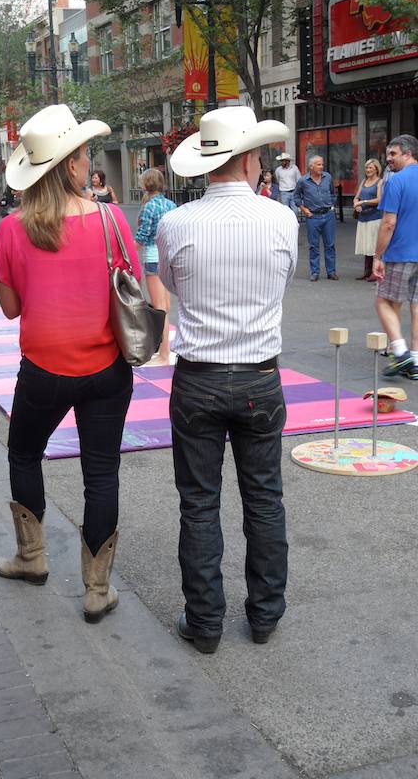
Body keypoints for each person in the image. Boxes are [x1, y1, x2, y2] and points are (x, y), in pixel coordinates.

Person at [0, 103, 141, 623]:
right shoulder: (110, 219)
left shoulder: (11, 230)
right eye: (83, 155)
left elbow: (10, 309)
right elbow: (131, 289)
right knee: (101, 472)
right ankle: (97, 590)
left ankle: (32, 558)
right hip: (106, 370)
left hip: (44, 371)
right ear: (73, 165)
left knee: (24, 453)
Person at [156, 106, 297, 653]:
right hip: (260, 376)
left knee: (199, 502)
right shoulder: (280, 219)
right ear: (248, 158)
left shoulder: (176, 223)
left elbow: (170, 288)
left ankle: (206, 622)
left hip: (198, 379)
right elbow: (281, 283)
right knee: (264, 499)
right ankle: (264, 615)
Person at [372, 134, 418, 380]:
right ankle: (416, 361)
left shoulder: (396, 181)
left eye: (393, 154)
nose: (388, 159)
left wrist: (377, 256)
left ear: (408, 154)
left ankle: (400, 353)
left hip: (401, 253)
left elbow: (388, 223)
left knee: (382, 300)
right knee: (417, 305)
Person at [134, 168, 175, 364]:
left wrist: (129, 251)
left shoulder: (148, 207)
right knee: (165, 306)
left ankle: (164, 353)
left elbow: (143, 236)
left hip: (152, 256)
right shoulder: (171, 204)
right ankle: (164, 350)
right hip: (167, 256)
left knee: (159, 307)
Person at [293, 156, 337, 281]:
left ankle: (331, 271)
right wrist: (303, 209)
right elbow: (296, 197)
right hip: (313, 216)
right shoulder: (303, 181)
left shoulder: (327, 177)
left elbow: (332, 193)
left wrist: (332, 205)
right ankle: (315, 272)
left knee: (330, 245)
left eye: (322, 164)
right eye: (318, 165)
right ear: (311, 167)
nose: (321, 167)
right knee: (314, 245)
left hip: (328, 215)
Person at [353, 159, 383, 281]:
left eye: (371, 167)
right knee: (366, 244)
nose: (368, 170)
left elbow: (379, 199)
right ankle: (367, 271)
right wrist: (356, 204)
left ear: (376, 169)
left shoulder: (380, 182)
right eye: (367, 168)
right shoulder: (364, 181)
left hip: (374, 217)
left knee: (374, 245)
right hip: (363, 217)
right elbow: (356, 197)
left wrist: (364, 202)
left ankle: (376, 272)